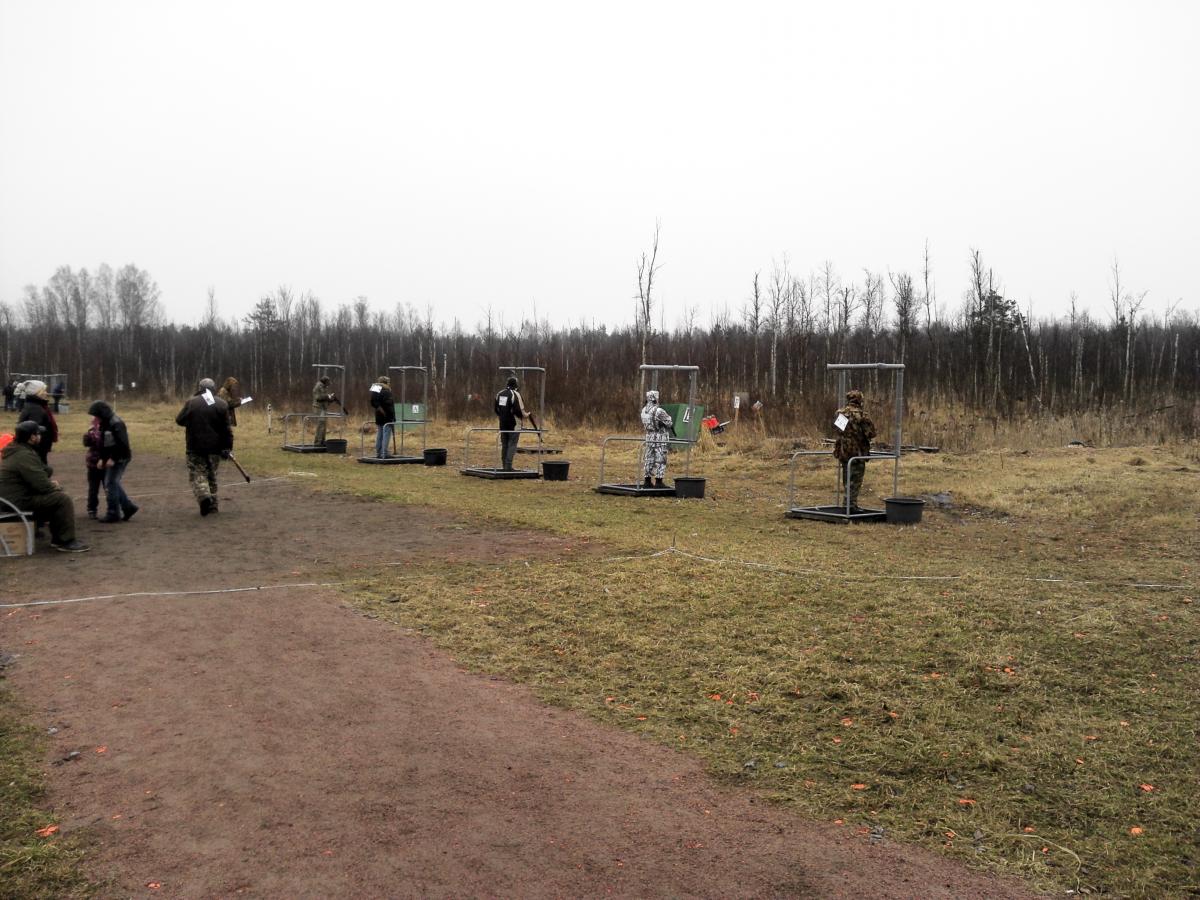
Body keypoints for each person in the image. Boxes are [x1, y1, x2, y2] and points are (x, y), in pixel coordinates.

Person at [0, 421, 89, 552]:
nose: (40, 436)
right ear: (32, 437)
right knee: (62, 499)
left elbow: (41, 472)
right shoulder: (23, 455)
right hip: (16, 502)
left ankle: (59, 538)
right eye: (38, 434)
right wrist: (54, 487)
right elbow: (41, 485)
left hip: (11, 499)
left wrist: (49, 483)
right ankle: (66, 541)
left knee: (55, 497)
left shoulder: (18, 450)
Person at [175, 377, 233, 516]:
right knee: (212, 475)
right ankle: (212, 505)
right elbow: (227, 429)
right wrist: (227, 447)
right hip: (215, 448)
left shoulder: (191, 402)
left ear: (200, 388)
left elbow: (179, 420)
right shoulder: (222, 404)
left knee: (197, 473)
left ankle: (203, 496)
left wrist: (191, 422)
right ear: (213, 388)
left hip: (194, 446)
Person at [88, 400, 138, 523]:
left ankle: (113, 513)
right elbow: (105, 444)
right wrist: (102, 458)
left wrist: (113, 458)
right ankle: (128, 507)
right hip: (113, 457)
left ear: (102, 413)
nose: (95, 418)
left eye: (96, 415)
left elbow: (123, 445)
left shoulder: (117, 424)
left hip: (121, 457)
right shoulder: (105, 423)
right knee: (112, 483)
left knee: (110, 483)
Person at [832, 388, 877, 511]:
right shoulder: (862, 415)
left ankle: (847, 504)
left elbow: (838, 430)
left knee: (847, 479)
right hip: (858, 452)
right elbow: (871, 433)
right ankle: (850, 506)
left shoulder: (841, 414)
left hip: (844, 451)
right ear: (859, 400)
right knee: (856, 480)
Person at [494, 376, 537, 471]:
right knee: (512, 445)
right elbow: (520, 411)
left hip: (503, 424)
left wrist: (503, 417)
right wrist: (527, 415)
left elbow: (496, 409)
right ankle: (508, 466)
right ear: (516, 385)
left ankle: (504, 466)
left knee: (505, 445)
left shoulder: (499, 394)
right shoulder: (516, 394)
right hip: (514, 425)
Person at [17, 380, 58, 465]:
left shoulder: (34, 405)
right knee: (40, 467)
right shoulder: (36, 409)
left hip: (37, 448)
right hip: (38, 448)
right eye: (44, 391)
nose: (46, 393)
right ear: (37, 393)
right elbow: (34, 432)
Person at [639, 390, 674, 488]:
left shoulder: (643, 410)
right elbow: (669, 422)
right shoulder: (659, 411)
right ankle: (659, 481)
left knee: (649, 458)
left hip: (649, 437)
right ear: (656, 398)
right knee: (661, 459)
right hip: (660, 437)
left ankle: (647, 481)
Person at [82, 412, 105, 518]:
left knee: (94, 488)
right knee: (97, 488)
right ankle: (93, 509)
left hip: (95, 462)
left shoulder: (92, 431)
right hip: (97, 463)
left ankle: (92, 510)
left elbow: (86, 442)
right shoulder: (106, 429)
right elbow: (86, 442)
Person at [369, 375, 396, 459]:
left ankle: (379, 452)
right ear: (386, 382)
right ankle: (384, 453)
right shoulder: (386, 391)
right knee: (386, 434)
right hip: (387, 416)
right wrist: (392, 417)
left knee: (380, 434)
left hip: (378, 415)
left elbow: (373, 402)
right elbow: (389, 406)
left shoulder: (376, 389)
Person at [312, 375, 338, 445]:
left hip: (323, 408)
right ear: (325, 381)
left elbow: (324, 399)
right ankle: (318, 442)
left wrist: (331, 399)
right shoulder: (318, 387)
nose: (328, 384)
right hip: (319, 408)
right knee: (321, 425)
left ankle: (322, 441)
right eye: (328, 383)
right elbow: (318, 398)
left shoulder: (323, 387)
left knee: (323, 425)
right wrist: (328, 396)